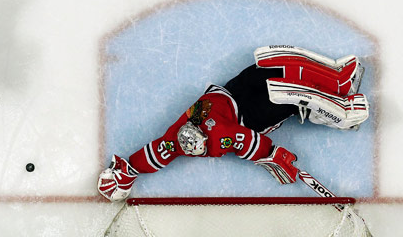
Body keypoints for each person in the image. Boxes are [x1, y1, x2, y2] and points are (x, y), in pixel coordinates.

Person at [97, 45, 370, 201]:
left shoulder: (178, 133)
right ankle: (337, 112)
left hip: (232, 94)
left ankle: (336, 78)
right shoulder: (214, 140)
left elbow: (154, 153)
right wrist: (275, 155)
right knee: (287, 96)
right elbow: (249, 141)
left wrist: (127, 169)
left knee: (266, 69)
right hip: (250, 118)